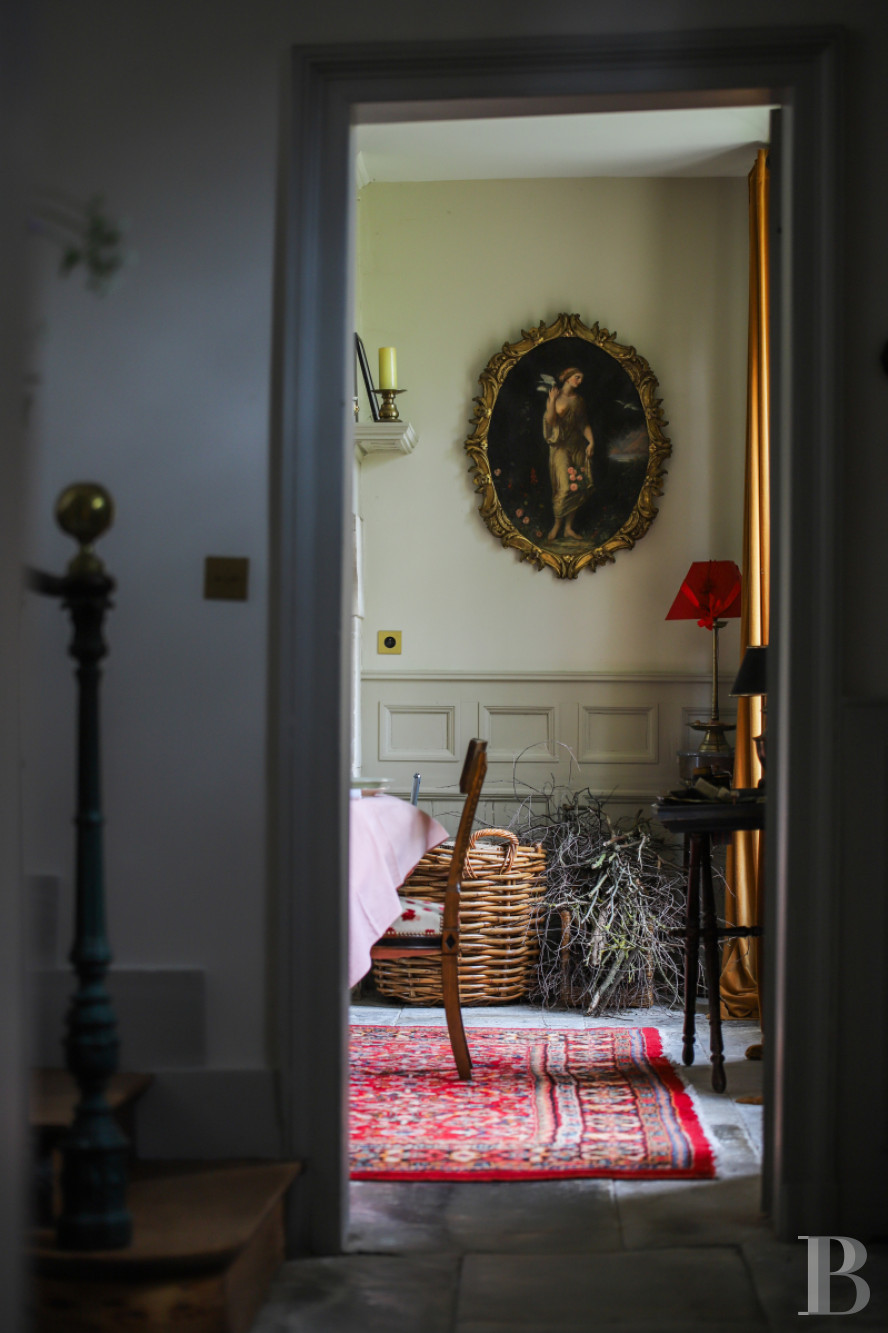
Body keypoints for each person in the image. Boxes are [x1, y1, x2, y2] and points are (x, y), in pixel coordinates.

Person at [543, 367, 595, 541]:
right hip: (560, 447)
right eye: (577, 377)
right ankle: (557, 525)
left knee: (577, 486)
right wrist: (551, 402)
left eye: (581, 378)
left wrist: (591, 441)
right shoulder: (555, 397)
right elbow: (550, 421)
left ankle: (568, 528)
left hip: (577, 446)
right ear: (567, 378)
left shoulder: (579, 400)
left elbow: (583, 424)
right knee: (564, 487)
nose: (579, 381)